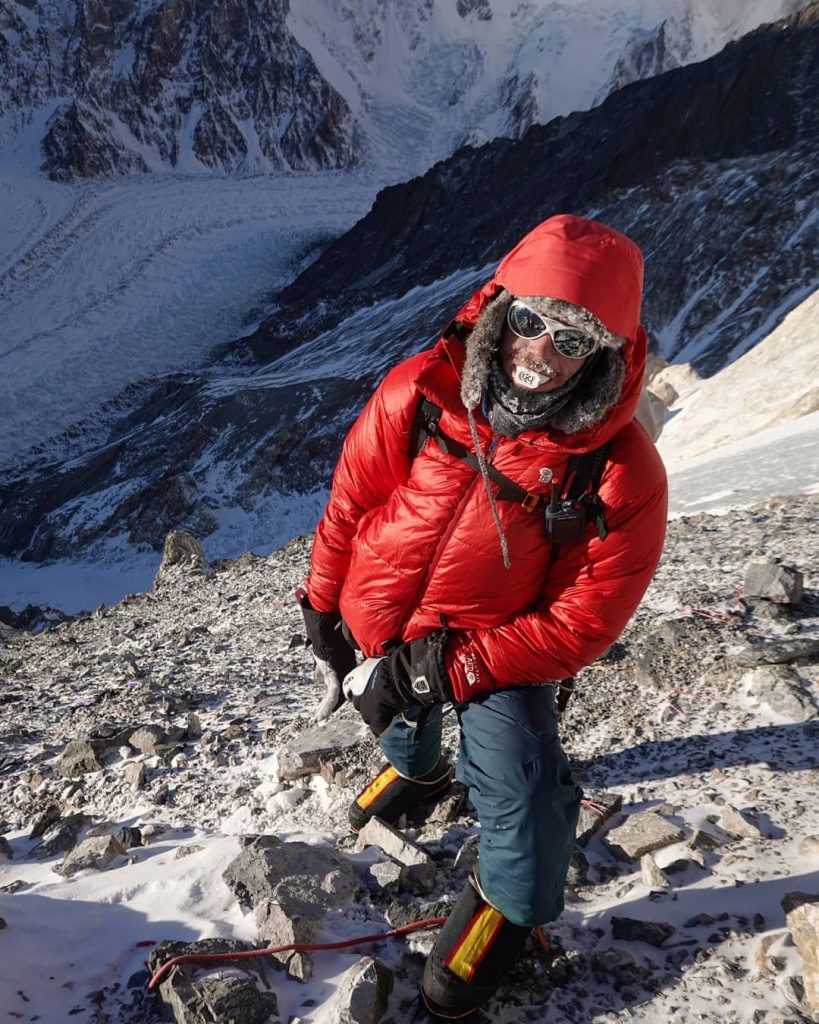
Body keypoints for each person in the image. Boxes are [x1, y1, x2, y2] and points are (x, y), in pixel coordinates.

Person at [297, 213, 668, 1019]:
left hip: (493, 647)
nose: (539, 353)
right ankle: (421, 768)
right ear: (502, 313)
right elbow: (352, 501)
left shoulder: (617, 470)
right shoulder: (421, 391)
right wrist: (323, 602)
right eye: (531, 322)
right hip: (381, 614)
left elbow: (582, 623)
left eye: (571, 341)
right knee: (389, 710)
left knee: (530, 796)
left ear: (603, 356)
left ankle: (508, 914)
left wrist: (448, 666)